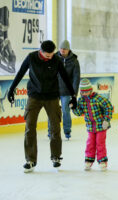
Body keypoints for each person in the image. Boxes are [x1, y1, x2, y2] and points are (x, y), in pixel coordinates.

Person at [7, 40, 77, 173]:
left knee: (56, 127)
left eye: (51, 55)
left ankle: (56, 157)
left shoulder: (56, 59)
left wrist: (73, 95)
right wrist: (11, 90)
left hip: (52, 97)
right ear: (41, 51)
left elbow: (65, 77)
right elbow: (21, 72)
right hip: (35, 96)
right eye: (47, 55)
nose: (50, 57)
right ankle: (30, 160)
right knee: (30, 127)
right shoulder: (32, 57)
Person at [71, 78, 113, 171]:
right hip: (90, 126)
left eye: (86, 92)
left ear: (90, 90)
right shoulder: (81, 100)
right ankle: (89, 160)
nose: (84, 94)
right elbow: (79, 112)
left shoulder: (98, 98)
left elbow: (109, 107)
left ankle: (102, 161)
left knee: (100, 143)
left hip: (101, 125)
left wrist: (106, 120)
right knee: (90, 143)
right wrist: (73, 107)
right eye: (82, 92)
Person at [47, 40, 80, 140]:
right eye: (61, 48)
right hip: (54, 90)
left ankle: (67, 131)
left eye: (64, 49)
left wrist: (74, 94)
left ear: (68, 49)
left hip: (66, 91)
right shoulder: (54, 58)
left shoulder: (74, 61)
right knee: (52, 111)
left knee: (66, 111)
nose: (62, 50)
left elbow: (76, 78)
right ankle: (51, 131)